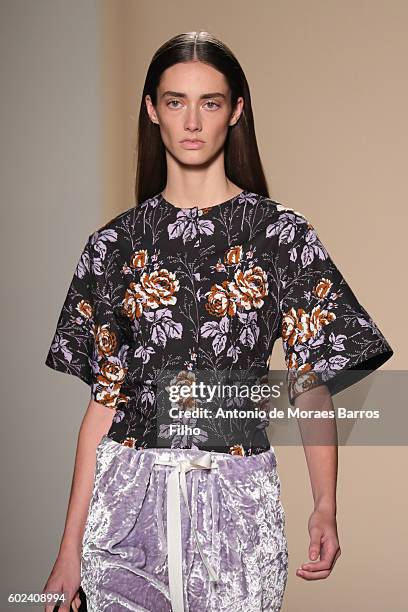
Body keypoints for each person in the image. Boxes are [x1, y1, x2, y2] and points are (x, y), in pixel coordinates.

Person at [41, 31, 393, 612]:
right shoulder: (112, 245)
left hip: (238, 501)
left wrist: (325, 505)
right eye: (176, 101)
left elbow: (310, 385)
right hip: (125, 504)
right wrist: (68, 548)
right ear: (153, 111)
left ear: (236, 111)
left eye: (210, 102)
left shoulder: (280, 237)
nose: (193, 121)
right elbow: (104, 404)